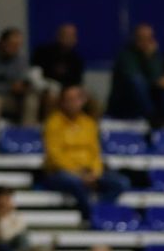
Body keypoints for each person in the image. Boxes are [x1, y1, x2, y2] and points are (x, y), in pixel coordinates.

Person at [41, 83, 128, 220]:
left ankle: (98, 210)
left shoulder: (89, 123)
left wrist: (94, 172)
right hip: (61, 173)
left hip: (89, 172)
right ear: (62, 102)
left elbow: (95, 153)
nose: (73, 103)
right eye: (69, 99)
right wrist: (79, 174)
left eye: (77, 99)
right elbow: (54, 155)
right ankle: (90, 216)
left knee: (121, 183)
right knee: (75, 182)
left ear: (83, 101)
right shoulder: (53, 123)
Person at [109, 22, 164, 123]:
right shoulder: (126, 55)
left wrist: (149, 58)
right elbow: (134, 80)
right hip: (125, 103)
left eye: (149, 38)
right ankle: (152, 117)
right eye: (142, 38)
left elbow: (158, 76)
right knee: (137, 81)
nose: (146, 42)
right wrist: (156, 80)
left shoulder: (155, 55)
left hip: (152, 99)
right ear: (135, 39)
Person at [31, 22, 85, 92]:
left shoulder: (77, 59)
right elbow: (35, 73)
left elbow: (77, 80)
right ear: (59, 36)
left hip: (67, 89)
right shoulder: (43, 52)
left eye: (72, 36)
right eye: (66, 35)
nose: (69, 38)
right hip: (44, 86)